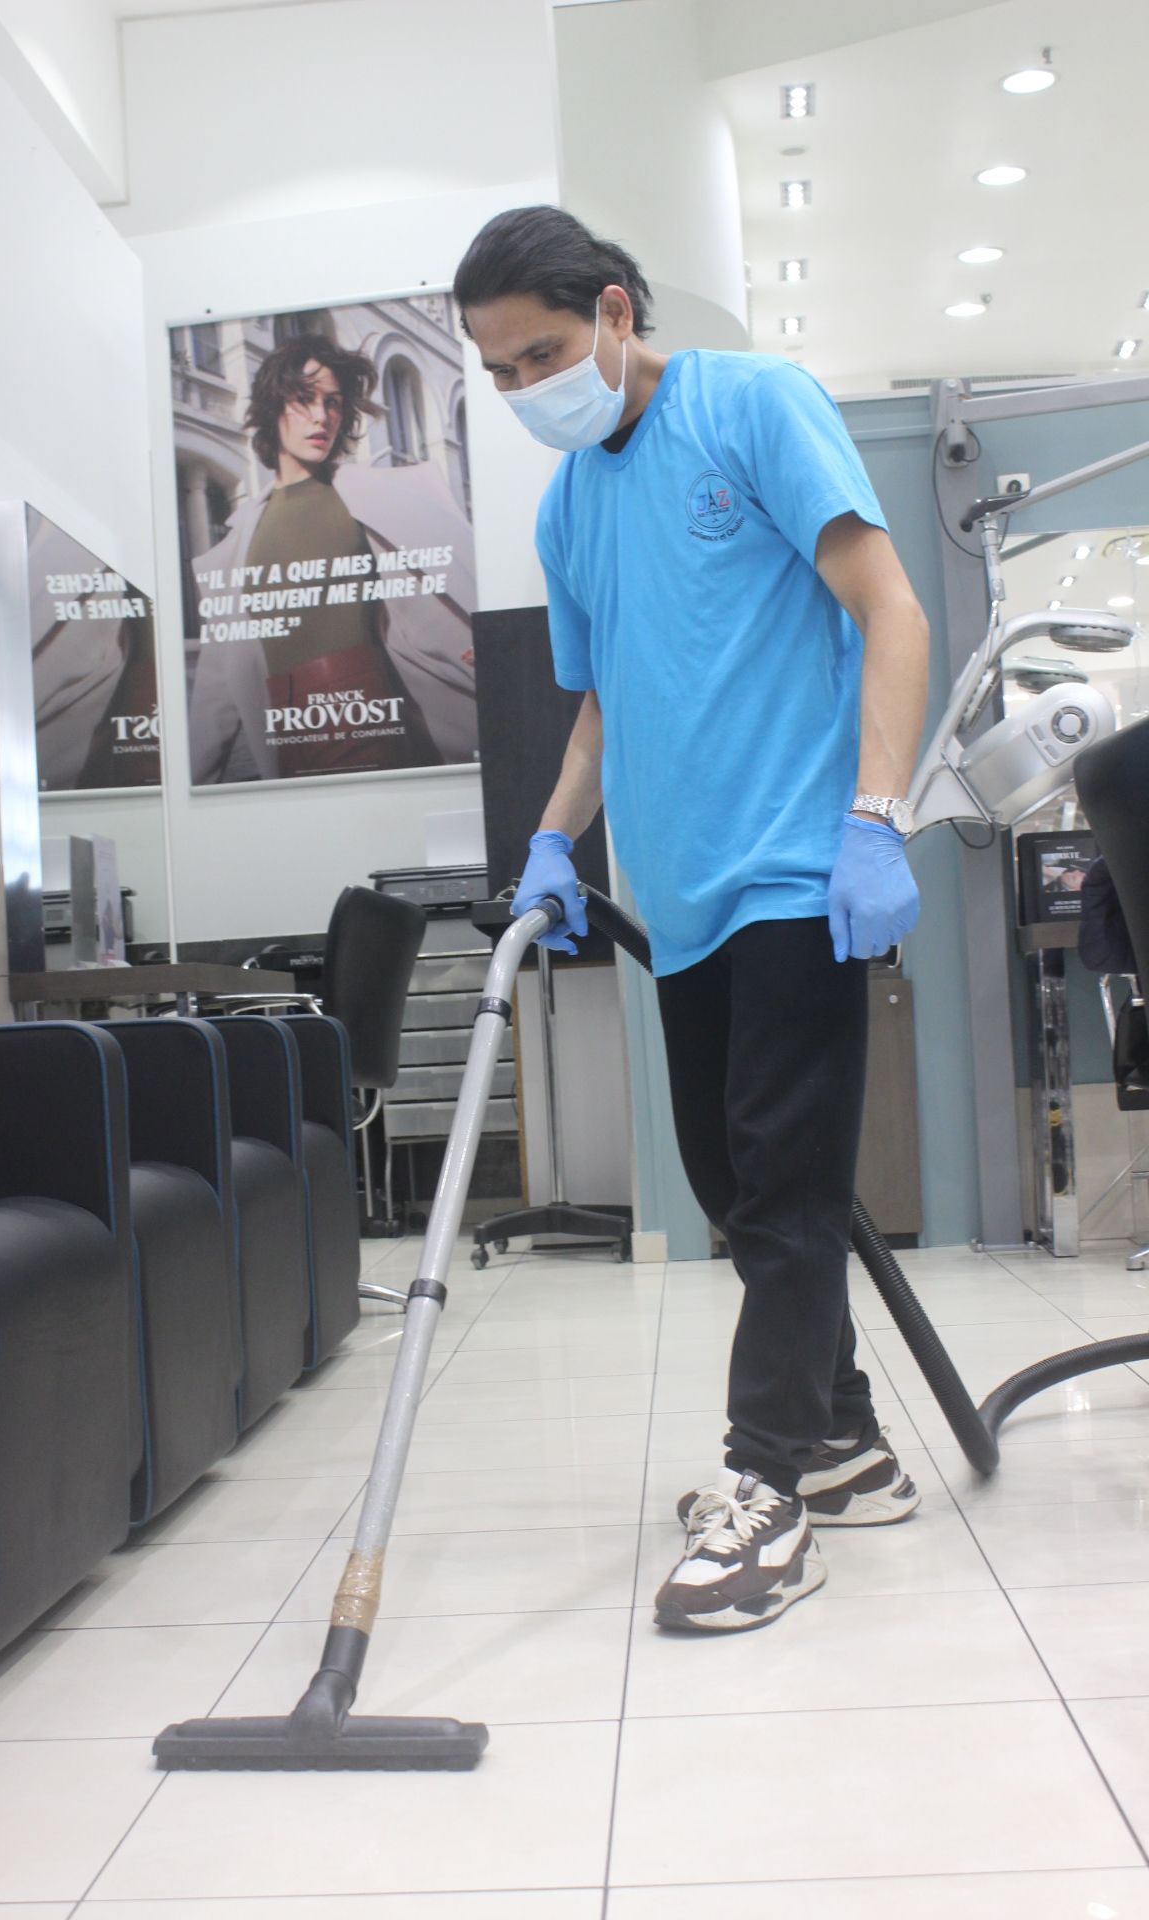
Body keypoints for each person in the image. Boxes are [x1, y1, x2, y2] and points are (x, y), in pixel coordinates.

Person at [454, 207, 929, 1635]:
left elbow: (889, 607)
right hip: (686, 900)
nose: (525, 387)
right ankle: (842, 1445)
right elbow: (601, 710)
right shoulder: (568, 507)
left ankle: (767, 1486)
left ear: (613, 310)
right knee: (737, 1196)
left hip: (799, 871)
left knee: (785, 1195)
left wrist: (877, 817)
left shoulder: (753, 406)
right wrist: (551, 833)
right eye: (493, 371)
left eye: (540, 350)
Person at [187, 333, 438, 780]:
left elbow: (434, 592)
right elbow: (217, 686)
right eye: (305, 398)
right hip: (285, 735)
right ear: (272, 407)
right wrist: (193, 788)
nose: (322, 416)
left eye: (334, 402)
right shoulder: (240, 535)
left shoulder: (368, 496)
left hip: (366, 718)